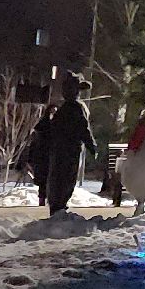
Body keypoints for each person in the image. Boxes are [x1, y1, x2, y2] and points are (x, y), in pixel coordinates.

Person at [46, 78, 99, 214]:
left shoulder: (61, 109)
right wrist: (91, 146)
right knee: (67, 177)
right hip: (71, 149)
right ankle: (59, 205)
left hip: (58, 149)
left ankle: (56, 205)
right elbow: (83, 128)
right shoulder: (76, 108)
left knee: (58, 176)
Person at [28, 103, 56, 207]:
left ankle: (48, 200)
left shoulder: (53, 125)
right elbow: (35, 142)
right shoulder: (44, 126)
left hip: (48, 155)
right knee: (44, 180)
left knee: (49, 179)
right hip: (43, 156)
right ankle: (43, 200)